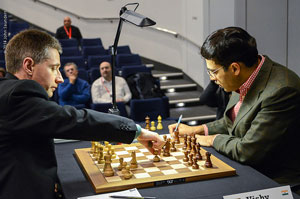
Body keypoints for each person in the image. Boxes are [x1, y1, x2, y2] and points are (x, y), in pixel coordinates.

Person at [0, 29, 164, 199]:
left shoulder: (6, 91)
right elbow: (74, 120)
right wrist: (138, 131)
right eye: (54, 68)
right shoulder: (18, 95)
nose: (60, 78)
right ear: (28, 66)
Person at [169, 27, 300, 186]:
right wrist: (197, 129)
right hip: (249, 167)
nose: (212, 79)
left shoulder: (281, 90)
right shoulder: (248, 75)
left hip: (274, 179)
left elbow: (247, 151)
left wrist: (211, 139)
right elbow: (234, 121)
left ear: (235, 68)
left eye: (213, 72)